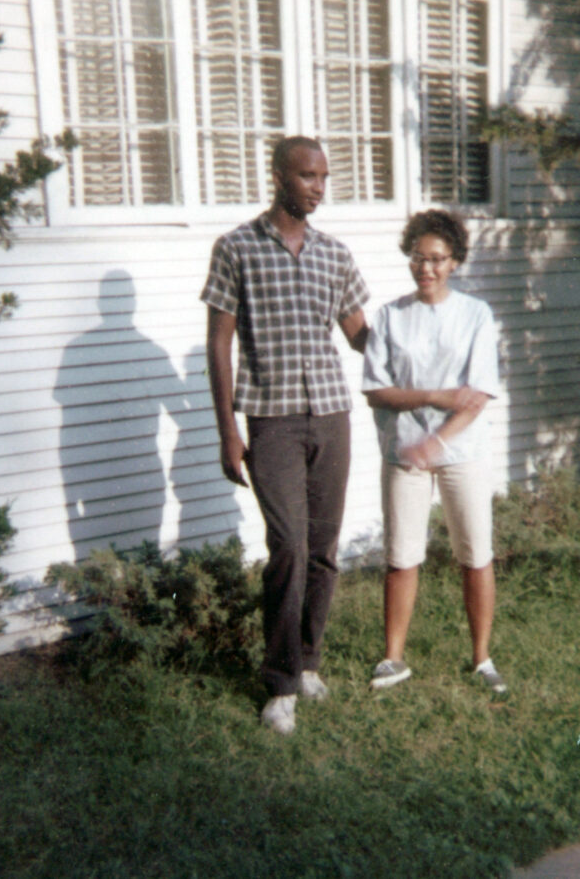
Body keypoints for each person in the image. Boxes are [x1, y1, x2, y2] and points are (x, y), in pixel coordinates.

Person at [201, 135, 369, 734]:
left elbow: (358, 334)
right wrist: (227, 431)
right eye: (307, 176)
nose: (318, 187)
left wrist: (417, 340)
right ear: (278, 177)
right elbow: (219, 340)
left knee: (324, 550)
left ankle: (309, 660)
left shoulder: (334, 254)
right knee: (289, 547)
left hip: (331, 414)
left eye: (324, 177)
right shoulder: (236, 248)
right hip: (270, 419)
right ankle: (280, 683)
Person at [361, 209, 506, 695]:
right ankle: (393, 658)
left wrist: (439, 440)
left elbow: (479, 393)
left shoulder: (475, 315)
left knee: (476, 554)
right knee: (402, 558)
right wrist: (434, 397)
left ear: (456, 262)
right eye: (418, 258)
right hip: (404, 452)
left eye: (438, 259)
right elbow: (377, 390)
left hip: (461, 452)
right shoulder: (389, 316)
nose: (427, 268)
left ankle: (482, 658)